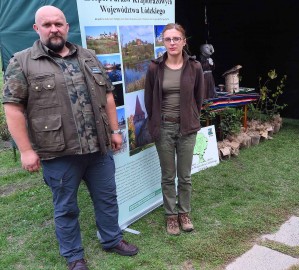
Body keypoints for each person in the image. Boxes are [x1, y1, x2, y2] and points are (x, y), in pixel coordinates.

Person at [2, 5, 138, 270]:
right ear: (36, 28)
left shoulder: (87, 56)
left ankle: (112, 239)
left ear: (66, 27)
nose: (54, 29)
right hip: (59, 152)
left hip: (98, 149)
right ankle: (74, 257)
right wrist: (26, 150)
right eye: (47, 24)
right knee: (66, 208)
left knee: (107, 198)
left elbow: (108, 95)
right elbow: (13, 108)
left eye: (59, 24)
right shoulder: (22, 61)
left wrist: (113, 131)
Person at [144, 23, 205, 235]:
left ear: (184, 41)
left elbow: (199, 98)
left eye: (176, 39)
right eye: (168, 39)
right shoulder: (155, 68)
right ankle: (171, 216)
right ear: (163, 42)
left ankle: (184, 213)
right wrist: (156, 124)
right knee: (168, 176)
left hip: (187, 128)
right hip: (164, 128)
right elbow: (149, 100)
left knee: (185, 176)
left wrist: (192, 118)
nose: (172, 43)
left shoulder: (195, 67)